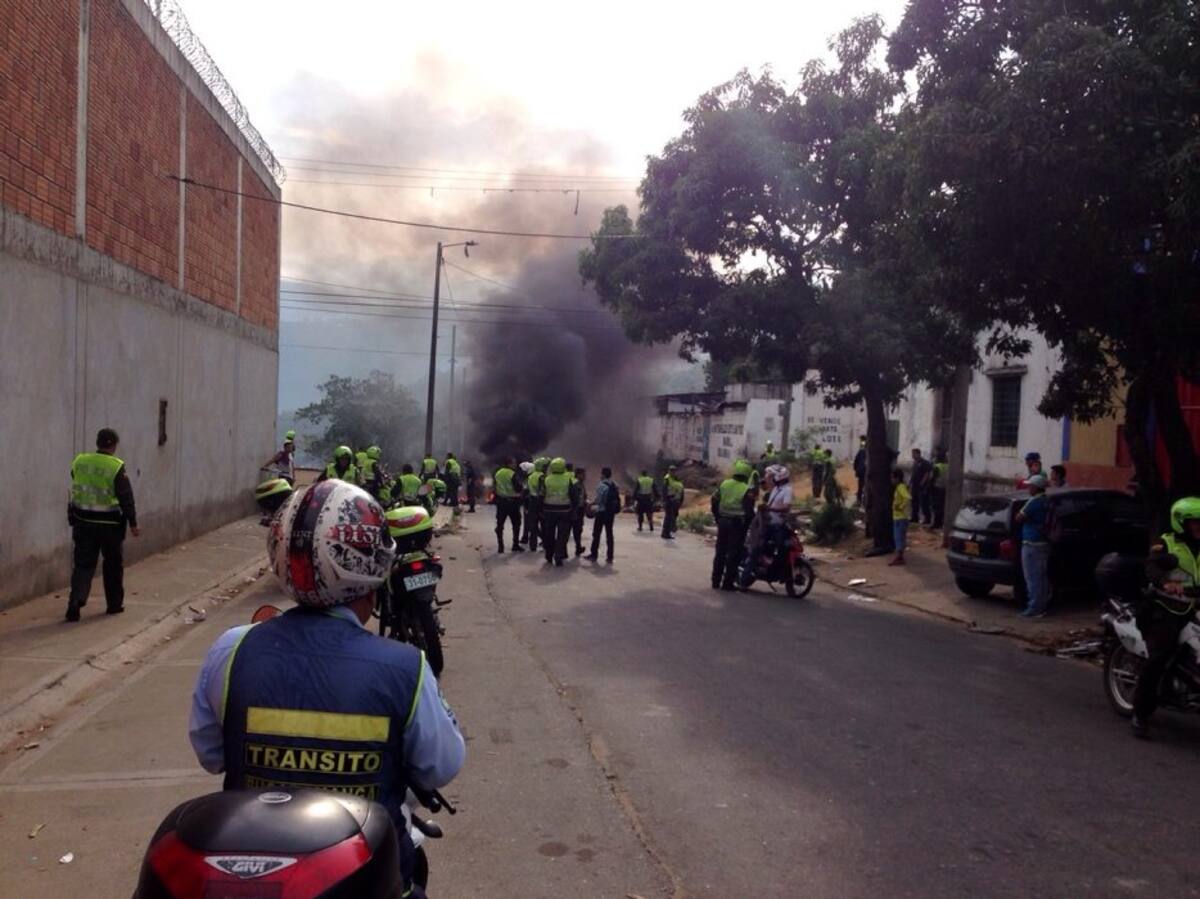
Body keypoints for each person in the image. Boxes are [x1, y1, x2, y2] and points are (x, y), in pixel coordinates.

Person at [188, 480, 465, 896]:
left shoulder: (230, 651)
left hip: (254, 871)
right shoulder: (407, 668)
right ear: (372, 570)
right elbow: (440, 765)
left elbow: (211, 755)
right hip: (366, 873)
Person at [1130, 497, 1200, 738]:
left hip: (1194, 607)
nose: (1199, 527)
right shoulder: (1166, 544)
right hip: (1166, 609)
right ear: (1182, 522)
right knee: (1159, 657)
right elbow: (1151, 567)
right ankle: (1140, 714)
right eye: (1195, 523)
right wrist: (1166, 582)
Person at [66, 428, 140, 621]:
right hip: (110, 525)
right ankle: (114, 605)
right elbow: (126, 497)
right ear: (114, 445)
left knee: (83, 564)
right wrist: (133, 522)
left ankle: (76, 602)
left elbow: (76, 480)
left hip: (83, 522)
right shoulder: (116, 466)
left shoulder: (80, 461)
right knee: (113, 565)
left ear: (97, 442)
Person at [711, 460, 756, 590]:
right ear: (747, 474)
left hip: (723, 522)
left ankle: (715, 581)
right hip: (737, 525)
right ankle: (727, 583)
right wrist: (748, 526)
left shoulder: (724, 484)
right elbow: (748, 511)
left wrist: (717, 518)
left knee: (720, 552)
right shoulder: (746, 489)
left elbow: (714, 500)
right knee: (733, 554)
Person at [1015, 473, 1051, 617]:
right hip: (1043, 543)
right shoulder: (1047, 501)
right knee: (1041, 577)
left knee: (1032, 577)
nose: (1028, 488)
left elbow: (1019, 517)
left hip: (1032, 544)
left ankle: (1035, 608)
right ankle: (1042, 605)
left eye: (1030, 486)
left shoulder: (1033, 502)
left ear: (1036, 487)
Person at [539, 457, 578, 567]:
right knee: (563, 535)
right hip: (564, 512)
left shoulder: (546, 479)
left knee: (549, 534)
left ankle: (549, 555)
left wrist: (540, 510)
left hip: (548, 511)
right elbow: (574, 497)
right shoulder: (568, 480)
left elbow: (541, 496)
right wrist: (574, 510)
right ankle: (558, 556)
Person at [587, 467, 621, 563]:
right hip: (611, 513)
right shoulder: (614, 484)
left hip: (602, 512)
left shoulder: (601, 485)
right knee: (609, 534)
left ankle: (594, 555)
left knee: (596, 533)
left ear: (603, 474)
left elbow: (599, 500)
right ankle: (610, 557)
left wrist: (591, 504)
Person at [493, 458, 523, 553]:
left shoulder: (498, 473)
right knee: (516, 524)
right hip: (513, 502)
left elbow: (495, 486)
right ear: (509, 464)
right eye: (513, 463)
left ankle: (500, 546)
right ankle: (515, 544)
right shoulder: (512, 474)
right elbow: (518, 488)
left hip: (501, 502)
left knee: (500, 524)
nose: (514, 465)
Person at [523, 457, 547, 551]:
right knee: (544, 524)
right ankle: (546, 542)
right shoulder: (542, 477)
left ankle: (533, 545)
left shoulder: (531, 476)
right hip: (540, 502)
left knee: (533, 525)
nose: (546, 468)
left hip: (532, 501)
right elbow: (543, 491)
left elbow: (526, 490)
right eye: (545, 466)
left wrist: (526, 505)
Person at [889, 468, 911, 567]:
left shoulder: (901, 487)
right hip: (898, 517)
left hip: (900, 518)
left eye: (892, 478)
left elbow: (908, 497)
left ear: (897, 478)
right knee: (899, 538)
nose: (891, 480)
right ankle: (900, 556)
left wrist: (900, 507)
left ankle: (899, 557)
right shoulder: (899, 487)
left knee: (898, 537)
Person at [909, 449, 933, 526]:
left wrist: (922, 482)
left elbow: (927, 473)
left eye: (914, 454)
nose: (912, 456)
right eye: (912, 454)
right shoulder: (915, 463)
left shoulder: (924, 463)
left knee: (923, 502)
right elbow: (913, 474)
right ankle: (914, 517)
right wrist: (910, 483)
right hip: (914, 485)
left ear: (918, 454)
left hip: (922, 486)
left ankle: (927, 518)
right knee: (914, 502)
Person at [661, 467, 685, 539]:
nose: (673, 472)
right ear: (669, 471)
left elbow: (681, 489)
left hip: (675, 501)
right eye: (671, 471)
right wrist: (664, 500)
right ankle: (666, 533)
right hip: (669, 500)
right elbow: (664, 490)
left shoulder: (677, 479)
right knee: (668, 517)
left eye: (674, 471)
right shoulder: (667, 478)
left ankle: (668, 531)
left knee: (673, 516)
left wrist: (680, 500)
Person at [570, 467, 588, 557]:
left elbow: (583, 497)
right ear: (578, 475)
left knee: (578, 530)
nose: (585, 476)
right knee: (574, 529)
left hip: (579, 510)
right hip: (575, 509)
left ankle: (578, 547)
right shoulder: (576, 484)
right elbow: (575, 499)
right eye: (583, 474)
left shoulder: (581, 484)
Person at [930, 449, 949, 529]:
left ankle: (936, 523)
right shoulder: (948, 466)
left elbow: (932, 478)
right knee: (942, 506)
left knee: (936, 506)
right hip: (945, 488)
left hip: (937, 488)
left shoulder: (937, 467)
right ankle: (941, 522)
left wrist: (929, 488)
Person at [853, 436, 867, 505]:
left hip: (862, 471)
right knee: (865, 485)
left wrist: (856, 469)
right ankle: (863, 499)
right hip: (866, 470)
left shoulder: (863, 444)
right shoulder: (864, 447)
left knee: (861, 486)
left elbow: (856, 460)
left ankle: (859, 500)